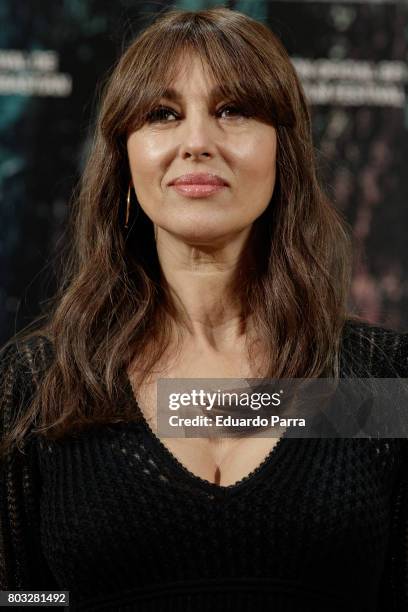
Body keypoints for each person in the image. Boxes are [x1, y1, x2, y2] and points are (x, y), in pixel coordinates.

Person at [1, 7, 407, 611]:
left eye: (232, 110)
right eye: (162, 115)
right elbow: (23, 598)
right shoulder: (41, 384)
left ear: (283, 150)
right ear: (125, 159)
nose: (197, 143)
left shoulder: (382, 380)